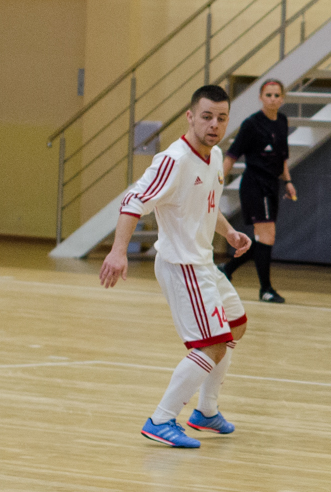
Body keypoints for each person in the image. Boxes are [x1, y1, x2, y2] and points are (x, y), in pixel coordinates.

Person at [100, 85, 252, 448]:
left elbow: (205, 205)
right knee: (211, 345)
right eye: (206, 116)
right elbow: (133, 200)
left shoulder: (214, 156)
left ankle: (206, 412)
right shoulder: (174, 160)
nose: (214, 124)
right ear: (190, 116)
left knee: (236, 326)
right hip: (181, 266)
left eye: (221, 118)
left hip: (203, 262)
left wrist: (229, 232)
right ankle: (161, 419)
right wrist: (119, 251)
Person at [220, 79, 296, 303]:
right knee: (267, 236)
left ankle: (226, 268)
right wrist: (217, 182)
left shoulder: (282, 121)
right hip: (255, 185)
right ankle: (266, 289)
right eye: (268, 94)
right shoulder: (251, 124)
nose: (273, 99)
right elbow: (232, 155)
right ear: (261, 97)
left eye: (276, 95)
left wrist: (288, 181)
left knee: (263, 239)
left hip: (272, 185)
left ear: (282, 98)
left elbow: (282, 157)